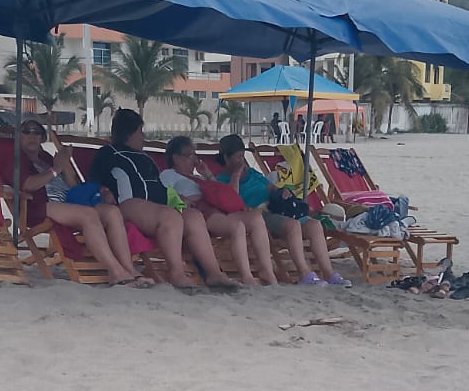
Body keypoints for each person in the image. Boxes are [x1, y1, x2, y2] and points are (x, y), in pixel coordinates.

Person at [89, 109, 237, 289]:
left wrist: (177, 198)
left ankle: (214, 273)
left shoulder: (146, 158)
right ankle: (176, 272)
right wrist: (105, 191)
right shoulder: (108, 153)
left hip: (157, 206)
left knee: (194, 217)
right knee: (170, 216)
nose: (143, 137)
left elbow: (159, 185)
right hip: (129, 203)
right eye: (140, 132)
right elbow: (93, 182)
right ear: (129, 133)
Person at [14, 119, 151, 286]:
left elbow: (74, 186)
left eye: (37, 132)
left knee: (112, 212)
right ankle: (116, 272)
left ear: (42, 138)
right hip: (39, 206)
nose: (32, 136)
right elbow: (28, 185)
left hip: (69, 203)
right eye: (26, 131)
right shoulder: (16, 159)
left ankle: (129, 269)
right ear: (18, 136)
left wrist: (66, 164)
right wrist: (56, 169)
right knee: (88, 215)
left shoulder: (46, 158)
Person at [217, 133, 351, 287]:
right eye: (238, 157)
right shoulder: (222, 180)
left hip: (277, 208)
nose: (242, 161)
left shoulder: (253, 173)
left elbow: (271, 188)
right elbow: (231, 200)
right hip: (259, 215)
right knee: (293, 226)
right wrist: (236, 175)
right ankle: (304, 274)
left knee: (314, 225)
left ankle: (329, 273)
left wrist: (283, 191)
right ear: (226, 158)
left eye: (243, 156)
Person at [159, 135, 279, 286]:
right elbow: (163, 194)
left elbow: (222, 193)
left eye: (195, 154)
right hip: (203, 212)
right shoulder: (168, 175)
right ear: (176, 158)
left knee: (256, 218)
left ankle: (267, 271)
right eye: (190, 155)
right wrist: (181, 198)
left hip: (218, 208)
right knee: (237, 226)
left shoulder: (198, 176)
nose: (194, 159)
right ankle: (247, 276)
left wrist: (207, 174)